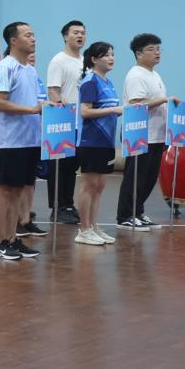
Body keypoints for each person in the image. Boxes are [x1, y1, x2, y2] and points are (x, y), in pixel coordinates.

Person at [0, 22, 44, 261]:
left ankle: (12, 238)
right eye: (28, 35)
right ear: (13, 40)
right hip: (10, 141)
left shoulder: (30, 70)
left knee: (19, 190)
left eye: (33, 34)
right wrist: (32, 110)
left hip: (30, 139)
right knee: (5, 190)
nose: (33, 39)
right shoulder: (5, 67)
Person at [117, 33, 173, 229]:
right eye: (151, 49)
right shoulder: (136, 75)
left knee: (149, 178)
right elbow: (137, 105)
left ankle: (137, 211)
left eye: (158, 48)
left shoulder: (154, 74)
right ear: (139, 53)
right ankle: (125, 215)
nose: (157, 52)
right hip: (139, 134)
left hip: (156, 135)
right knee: (135, 177)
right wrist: (164, 100)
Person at [72, 42, 123, 247]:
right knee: (89, 185)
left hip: (106, 141)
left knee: (100, 185)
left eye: (112, 54)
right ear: (94, 59)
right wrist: (113, 110)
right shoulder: (90, 81)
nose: (111, 58)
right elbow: (85, 111)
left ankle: (93, 226)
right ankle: (83, 230)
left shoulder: (108, 82)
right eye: (106, 55)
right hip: (90, 140)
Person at [44, 20, 86, 224]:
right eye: (75, 32)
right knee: (59, 167)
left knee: (71, 167)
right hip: (64, 123)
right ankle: (58, 207)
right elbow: (53, 91)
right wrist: (63, 117)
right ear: (65, 36)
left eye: (83, 33)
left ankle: (68, 204)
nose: (80, 36)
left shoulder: (84, 61)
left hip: (81, 123)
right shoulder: (58, 61)